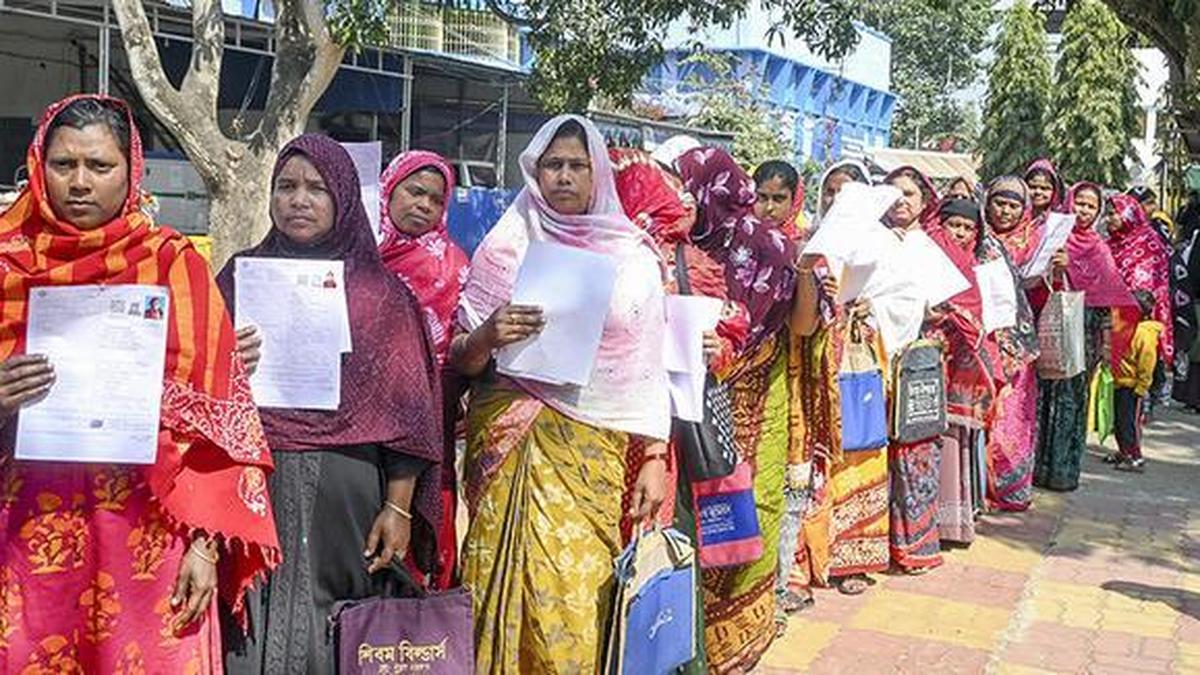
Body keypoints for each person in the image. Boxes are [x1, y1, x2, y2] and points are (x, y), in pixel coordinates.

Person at [0, 95, 278, 673]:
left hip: (150, 538)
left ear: (132, 170)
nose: (80, 183)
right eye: (64, 164)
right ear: (38, 165)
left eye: (100, 166)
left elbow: (220, 421)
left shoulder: (175, 266)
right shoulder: (6, 263)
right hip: (24, 536)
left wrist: (204, 545)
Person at [453, 116, 671, 674]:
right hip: (505, 438)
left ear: (598, 174)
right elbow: (461, 361)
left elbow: (648, 366)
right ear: (535, 171)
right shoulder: (505, 247)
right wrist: (487, 336)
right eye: (553, 165)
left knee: (576, 594)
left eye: (578, 165)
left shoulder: (632, 260)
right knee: (489, 583)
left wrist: (653, 457)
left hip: (589, 454)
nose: (565, 176)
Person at [219, 134, 443, 674]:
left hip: (349, 494)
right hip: (253, 483)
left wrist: (398, 508)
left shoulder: (381, 295)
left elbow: (410, 415)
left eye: (316, 188)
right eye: (286, 187)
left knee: (343, 626)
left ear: (342, 197)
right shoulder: (237, 279)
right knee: (248, 622)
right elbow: (197, 384)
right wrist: (225, 358)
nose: (299, 200)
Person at [609, 146, 751, 674]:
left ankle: (659, 657)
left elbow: (730, 331)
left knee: (657, 544)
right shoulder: (596, 250)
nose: (680, 201)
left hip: (665, 433)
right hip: (597, 425)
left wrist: (718, 348)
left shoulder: (694, 263)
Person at [677, 146, 803, 672]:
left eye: (687, 190)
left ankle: (730, 634)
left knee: (743, 503)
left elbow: (800, 325)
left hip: (737, 401)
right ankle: (708, 634)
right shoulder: (670, 248)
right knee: (714, 510)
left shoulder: (766, 248)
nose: (681, 201)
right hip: (704, 404)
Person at [787, 159, 889, 601]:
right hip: (809, 368)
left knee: (856, 456)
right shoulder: (807, 243)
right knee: (810, 462)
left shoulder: (882, 246)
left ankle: (852, 557)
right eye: (829, 191)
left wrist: (868, 309)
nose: (834, 199)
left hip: (856, 366)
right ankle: (803, 563)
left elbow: (904, 305)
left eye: (845, 192)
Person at [882, 167, 993, 567]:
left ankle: (914, 544)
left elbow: (964, 304)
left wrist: (936, 313)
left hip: (919, 365)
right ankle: (874, 544)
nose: (900, 200)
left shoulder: (931, 248)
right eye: (892, 192)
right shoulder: (872, 239)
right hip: (872, 360)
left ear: (925, 200)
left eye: (909, 193)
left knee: (915, 449)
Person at [377, 150, 470, 590]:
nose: (424, 205)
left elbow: (464, 348)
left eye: (436, 199)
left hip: (433, 421)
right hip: (361, 427)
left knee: (420, 550)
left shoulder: (455, 266)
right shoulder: (359, 257)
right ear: (389, 190)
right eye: (414, 192)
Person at [977, 179, 1041, 512]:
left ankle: (1012, 488)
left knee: (1014, 416)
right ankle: (983, 488)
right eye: (999, 203)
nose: (1005, 211)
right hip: (985, 338)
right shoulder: (975, 235)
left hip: (1018, 341)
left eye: (1014, 206)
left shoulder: (1033, 241)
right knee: (988, 412)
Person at [1106, 194, 1175, 396]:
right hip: (1110, 321)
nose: (1108, 219)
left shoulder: (1149, 243)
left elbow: (1151, 286)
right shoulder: (1108, 245)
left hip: (1139, 323)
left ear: (1128, 215)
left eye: (1113, 214)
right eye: (1107, 214)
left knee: (1135, 381)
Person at [1111, 290, 1163, 472]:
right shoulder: (1127, 327)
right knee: (1119, 421)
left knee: (1130, 423)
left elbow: (1147, 363)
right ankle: (1123, 451)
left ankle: (1135, 456)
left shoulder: (1145, 333)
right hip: (1120, 382)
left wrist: (1142, 387)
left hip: (1133, 387)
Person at [753, 159, 805, 240]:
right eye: (762, 197)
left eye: (778, 199)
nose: (769, 207)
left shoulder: (803, 245)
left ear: (794, 202)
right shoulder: (736, 235)